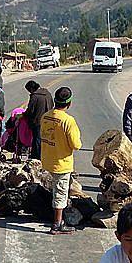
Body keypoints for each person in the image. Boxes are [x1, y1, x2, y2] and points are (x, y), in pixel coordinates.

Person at [41, 87, 82, 235]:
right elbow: (76, 144)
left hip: (47, 159)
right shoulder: (68, 120)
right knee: (60, 192)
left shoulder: (46, 116)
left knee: (55, 190)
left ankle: (57, 217)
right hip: (61, 163)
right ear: (69, 103)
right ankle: (57, 224)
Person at [24, 80, 54, 160]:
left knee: (37, 139)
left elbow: (30, 110)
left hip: (38, 121)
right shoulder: (47, 93)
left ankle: (37, 157)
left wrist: (24, 115)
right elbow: (52, 104)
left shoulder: (35, 96)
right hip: (49, 120)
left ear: (31, 89)